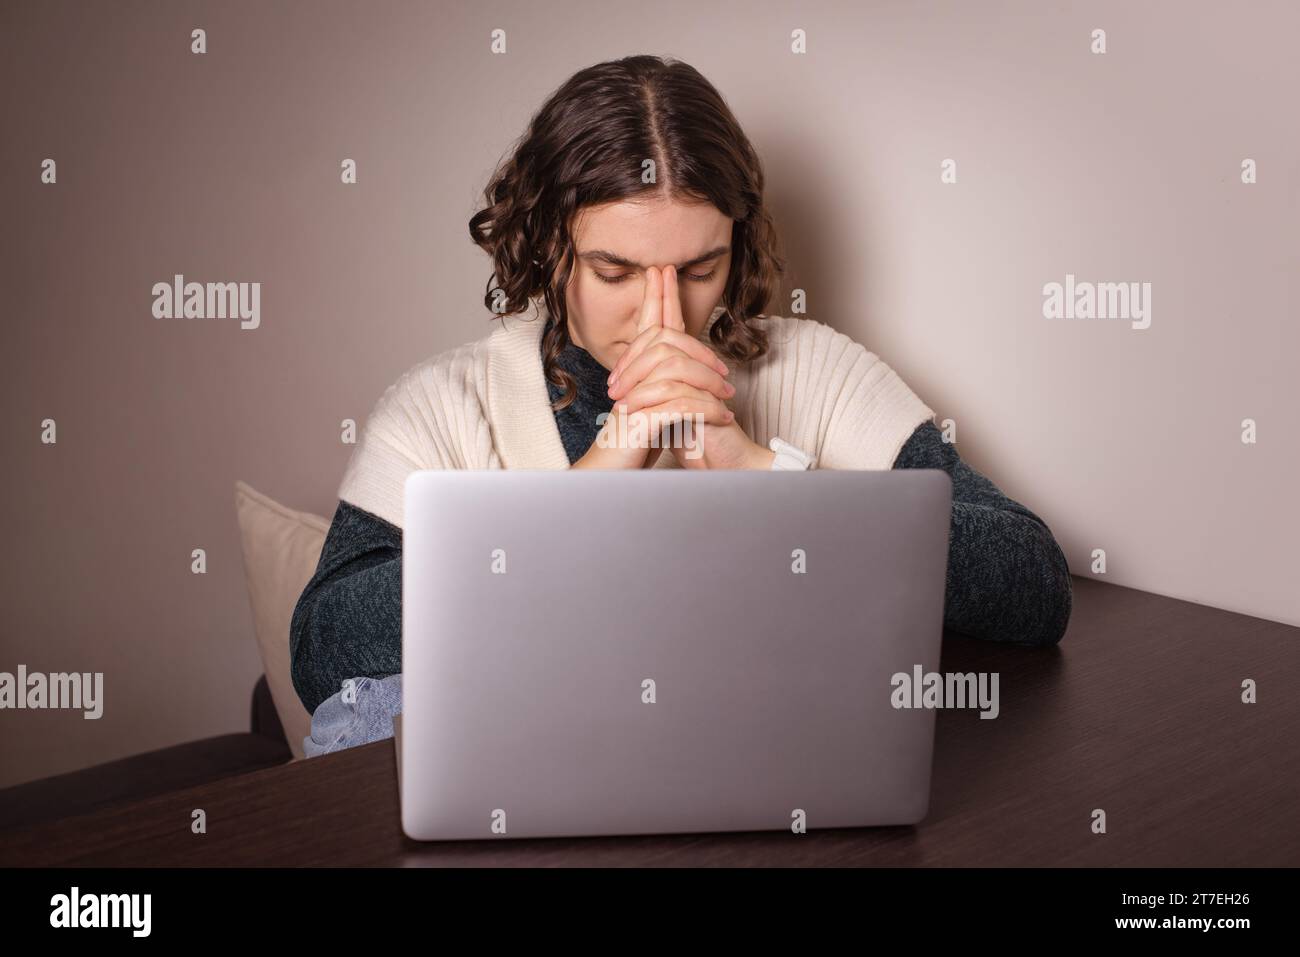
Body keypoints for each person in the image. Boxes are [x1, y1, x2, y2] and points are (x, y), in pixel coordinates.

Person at [291, 54, 1073, 757]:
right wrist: (585, 496)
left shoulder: (816, 370)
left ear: (739, 244)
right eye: (614, 270)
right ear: (545, 247)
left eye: (700, 267)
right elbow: (322, 648)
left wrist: (766, 477)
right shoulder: (443, 404)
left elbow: (1035, 586)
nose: (661, 319)